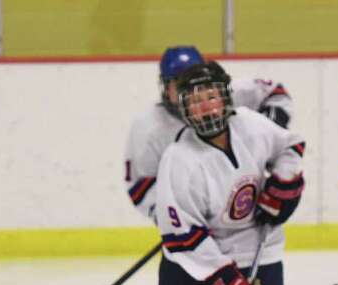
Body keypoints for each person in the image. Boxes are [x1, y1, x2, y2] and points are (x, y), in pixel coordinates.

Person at [125, 45, 294, 224]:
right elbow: (141, 186)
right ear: (166, 88)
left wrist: (266, 135)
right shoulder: (148, 128)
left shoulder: (222, 96)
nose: (191, 89)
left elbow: (276, 93)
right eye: (179, 83)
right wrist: (175, 216)